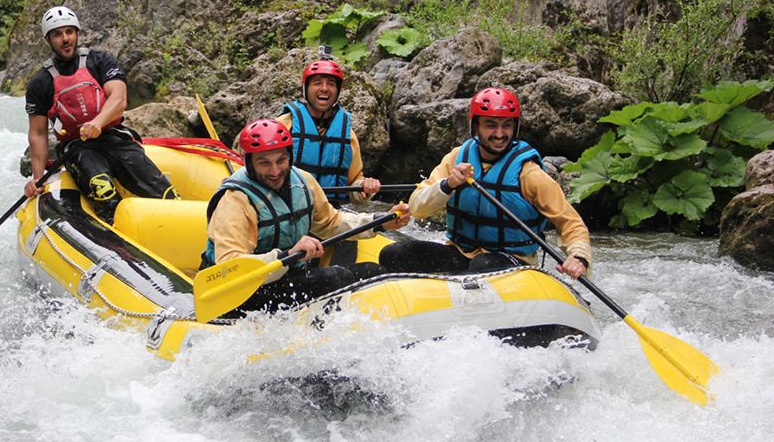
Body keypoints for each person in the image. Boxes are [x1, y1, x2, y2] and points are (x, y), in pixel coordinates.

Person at [378, 87, 592, 278]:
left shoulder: (529, 174)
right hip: (462, 253)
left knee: (482, 265)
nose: (499, 134)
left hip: (513, 263)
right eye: (491, 125)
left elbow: (569, 222)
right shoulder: (456, 159)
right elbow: (416, 208)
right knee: (395, 254)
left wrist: (579, 257)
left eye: (506, 126)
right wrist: (448, 185)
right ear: (475, 126)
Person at [201, 118, 410, 313]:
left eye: (281, 160)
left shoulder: (303, 181)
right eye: (264, 163)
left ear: (290, 156)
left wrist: (380, 222)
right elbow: (230, 266)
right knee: (333, 278)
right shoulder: (235, 200)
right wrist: (287, 255)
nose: (275, 171)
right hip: (244, 293)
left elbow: (331, 222)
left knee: (373, 272)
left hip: (289, 276)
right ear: (249, 163)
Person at [24, 5, 178, 219]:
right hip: (78, 149)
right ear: (48, 40)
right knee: (103, 192)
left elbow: (119, 97)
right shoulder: (40, 83)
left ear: (77, 33)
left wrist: (98, 122)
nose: (65, 39)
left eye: (69, 32)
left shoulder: (100, 61)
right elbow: (38, 133)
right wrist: (37, 178)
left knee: (164, 192)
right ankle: (114, 238)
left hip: (115, 139)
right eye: (58, 35)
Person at [277, 56, 381, 205]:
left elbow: (354, 184)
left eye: (331, 84)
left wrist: (364, 188)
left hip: (329, 215)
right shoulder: (283, 126)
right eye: (317, 83)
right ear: (305, 88)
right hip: (289, 209)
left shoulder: (348, 136)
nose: (324, 88)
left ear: (338, 91)